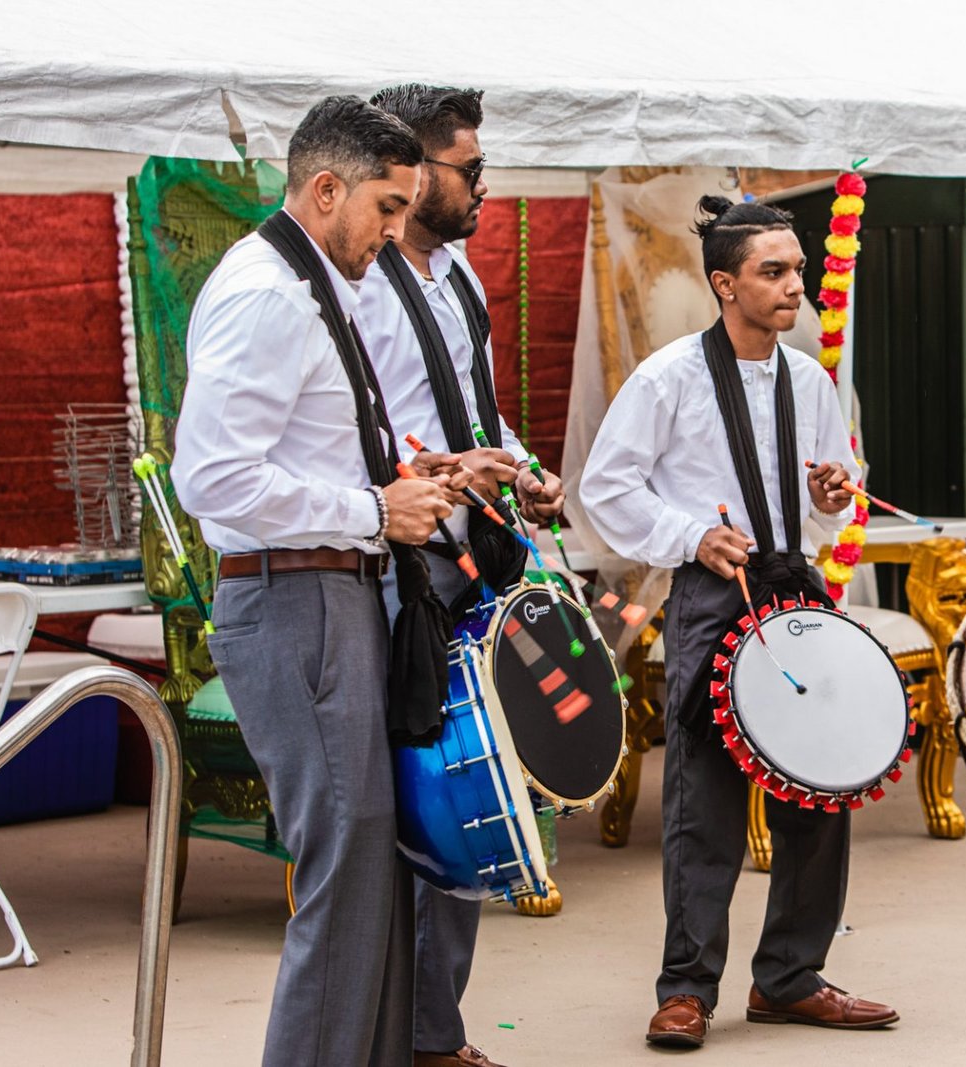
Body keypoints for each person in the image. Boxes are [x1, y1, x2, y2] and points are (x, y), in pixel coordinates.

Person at [173, 95, 462, 1067]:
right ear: (326, 188)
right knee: (346, 857)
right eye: (388, 207)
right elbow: (213, 478)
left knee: (374, 856)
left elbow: (307, 454)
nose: (396, 230)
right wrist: (374, 510)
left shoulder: (311, 284)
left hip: (332, 591)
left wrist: (410, 480)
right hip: (293, 597)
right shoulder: (268, 293)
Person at [580, 196, 899, 1051]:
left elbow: (830, 504)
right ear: (725, 284)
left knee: (822, 781)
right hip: (714, 595)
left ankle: (791, 976)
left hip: (795, 589)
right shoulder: (669, 377)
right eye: (774, 271)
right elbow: (606, 486)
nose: (796, 285)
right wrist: (691, 535)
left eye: (799, 269)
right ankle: (686, 987)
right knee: (704, 797)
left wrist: (832, 494)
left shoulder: (810, 380)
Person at [357, 82, 566, 1067]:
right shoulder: (355, 285)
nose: (485, 185)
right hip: (396, 569)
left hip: (474, 560)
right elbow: (359, 432)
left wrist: (519, 469)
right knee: (417, 791)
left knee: (468, 785)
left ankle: (435, 1033)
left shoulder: (462, 277)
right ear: (411, 170)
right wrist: (438, 475)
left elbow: (471, 411)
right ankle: (406, 1037)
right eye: (470, 168)